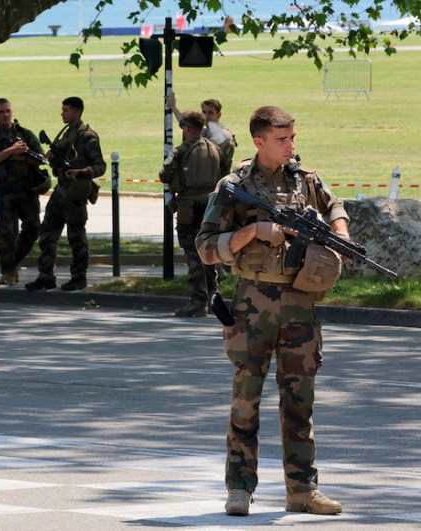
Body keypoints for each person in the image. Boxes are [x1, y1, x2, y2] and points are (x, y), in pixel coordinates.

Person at [196, 106, 348, 517]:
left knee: (301, 401)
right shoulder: (233, 186)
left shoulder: (305, 179)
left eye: (293, 137)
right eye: (282, 139)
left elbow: (336, 206)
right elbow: (206, 247)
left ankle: (303, 491)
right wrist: (253, 232)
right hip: (253, 303)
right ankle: (240, 489)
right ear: (259, 141)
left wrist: (340, 234)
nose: (291, 145)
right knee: (246, 399)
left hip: (299, 301)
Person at [25, 96, 106, 292]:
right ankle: (46, 275)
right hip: (61, 189)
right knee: (47, 232)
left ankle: (79, 277)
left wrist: (81, 172)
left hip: (75, 191)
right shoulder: (67, 133)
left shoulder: (88, 136)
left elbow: (100, 166)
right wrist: (52, 159)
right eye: (63, 110)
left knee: (76, 236)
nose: (63, 113)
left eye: (66, 110)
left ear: (77, 113)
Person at [160, 110, 231, 317]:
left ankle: (198, 300)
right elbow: (226, 174)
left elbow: (165, 174)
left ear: (188, 128)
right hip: (211, 207)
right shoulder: (217, 149)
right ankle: (213, 299)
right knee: (209, 254)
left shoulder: (181, 150)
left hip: (188, 209)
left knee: (193, 254)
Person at [0, 98, 46, 286]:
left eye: (7, 111)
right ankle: (8, 271)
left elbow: (42, 158)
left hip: (26, 188)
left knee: (32, 228)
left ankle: (14, 262)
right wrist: (11, 152)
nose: (5, 115)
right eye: (1, 112)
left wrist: (24, 158)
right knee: (6, 234)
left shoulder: (25, 134)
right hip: (4, 189)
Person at [167, 93, 238, 167]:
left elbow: (206, 151)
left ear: (219, 115)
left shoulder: (223, 135)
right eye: (204, 112)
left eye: (210, 113)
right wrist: (173, 106)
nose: (206, 116)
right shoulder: (205, 131)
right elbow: (186, 123)